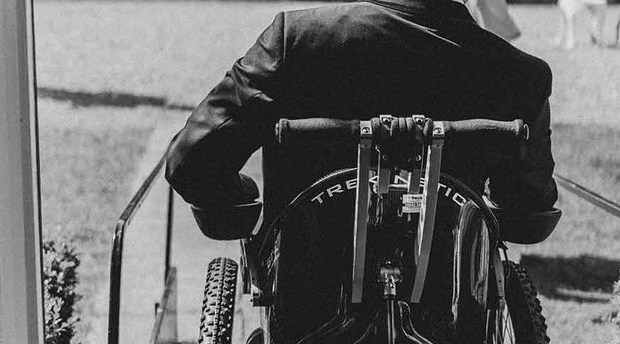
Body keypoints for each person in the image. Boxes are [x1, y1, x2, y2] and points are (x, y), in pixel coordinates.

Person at [166, 0, 558, 239]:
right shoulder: (519, 76)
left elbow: (191, 163)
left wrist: (238, 196)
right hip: (448, 318)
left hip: (309, 304)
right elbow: (528, 208)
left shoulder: (296, 40)